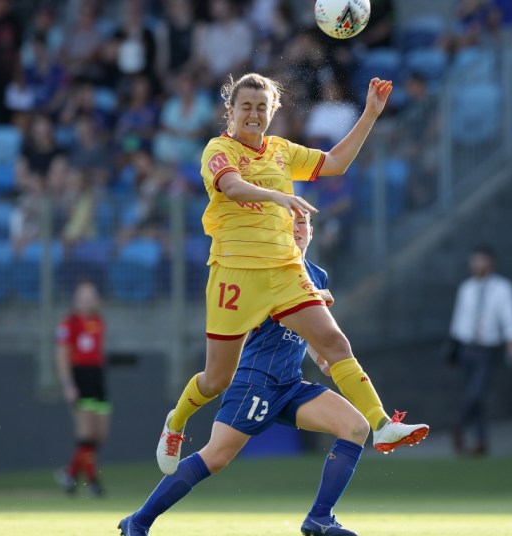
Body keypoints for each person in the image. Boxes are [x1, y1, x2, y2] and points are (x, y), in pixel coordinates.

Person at [155, 73, 428, 477]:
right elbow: (231, 186)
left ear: (272, 112)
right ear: (230, 112)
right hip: (235, 273)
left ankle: (382, 425)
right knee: (215, 380)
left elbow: (335, 163)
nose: (253, 114)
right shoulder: (218, 149)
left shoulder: (282, 151)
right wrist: (277, 195)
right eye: (245, 106)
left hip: (284, 270)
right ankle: (176, 421)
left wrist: (370, 113)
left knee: (334, 341)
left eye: (261, 107)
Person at [120, 212, 367, 536]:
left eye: (302, 222)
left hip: (290, 384)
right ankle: (138, 521)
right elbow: (280, 311)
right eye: (287, 222)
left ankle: (320, 518)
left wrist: (321, 356)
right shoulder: (268, 269)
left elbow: (307, 328)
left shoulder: (317, 276)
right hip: (254, 380)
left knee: (355, 427)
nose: (296, 228)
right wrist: (315, 299)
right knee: (217, 456)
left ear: (312, 230)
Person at [448, 245, 512, 456]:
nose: (476, 265)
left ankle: (458, 423)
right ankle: (481, 440)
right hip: (466, 346)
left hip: (487, 348)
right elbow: (459, 318)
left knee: (476, 391)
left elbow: (510, 316)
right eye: (474, 260)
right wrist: (454, 345)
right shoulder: (466, 288)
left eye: (481, 260)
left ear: (491, 263)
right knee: (474, 395)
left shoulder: (503, 288)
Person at [55, 281, 110, 497]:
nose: (87, 300)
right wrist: (68, 384)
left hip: (97, 378)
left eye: (91, 295)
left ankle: (69, 473)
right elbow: (61, 355)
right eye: (83, 295)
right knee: (86, 433)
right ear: (76, 299)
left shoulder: (98, 321)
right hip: (80, 377)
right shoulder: (68, 323)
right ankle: (94, 482)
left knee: (99, 434)